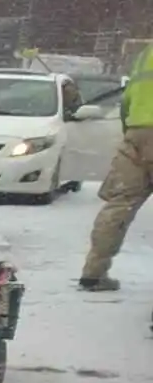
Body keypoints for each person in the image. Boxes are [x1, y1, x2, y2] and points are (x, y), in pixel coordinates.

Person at [77, 38, 153, 294]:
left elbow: (128, 99)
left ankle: (93, 272)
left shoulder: (147, 53)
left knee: (119, 206)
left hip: (137, 133)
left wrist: (134, 134)